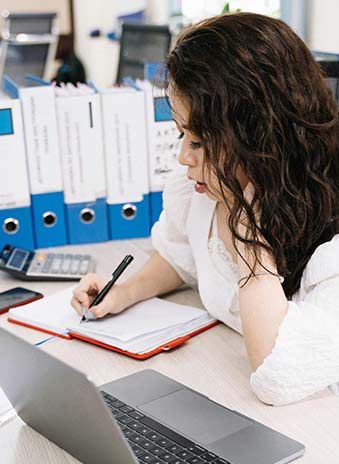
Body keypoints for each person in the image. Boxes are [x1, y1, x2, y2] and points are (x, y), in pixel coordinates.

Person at [71, 13, 339, 406]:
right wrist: (123, 293)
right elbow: (184, 258)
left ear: (261, 136)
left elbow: (278, 374)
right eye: (183, 134)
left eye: (200, 142)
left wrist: (249, 231)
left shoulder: (330, 242)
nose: (183, 157)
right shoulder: (203, 190)